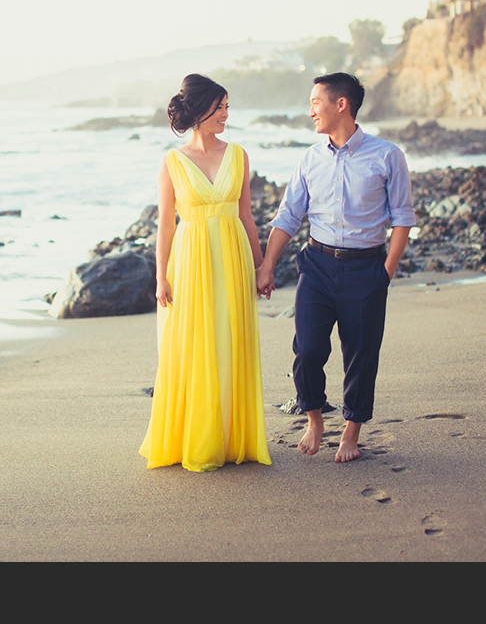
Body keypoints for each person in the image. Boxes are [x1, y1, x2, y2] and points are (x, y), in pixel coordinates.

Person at [256, 73, 416, 463]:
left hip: (366, 269)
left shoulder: (387, 155)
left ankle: (351, 432)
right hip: (317, 265)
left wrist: (385, 273)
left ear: (340, 104)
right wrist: (267, 264)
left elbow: (403, 219)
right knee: (308, 349)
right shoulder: (310, 158)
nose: (310, 109)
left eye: (316, 102)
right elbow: (288, 216)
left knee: (361, 354)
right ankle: (314, 418)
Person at [139, 74, 272, 472]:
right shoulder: (172, 161)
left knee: (230, 341)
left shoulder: (239, 155)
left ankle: (233, 438)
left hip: (231, 258)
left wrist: (262, 264)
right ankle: (198, 436)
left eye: (228, 107)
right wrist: (161, 276)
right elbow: (165, 225)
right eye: (220, 107)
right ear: (199, 110)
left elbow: (246, 214)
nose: (227, 115)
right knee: (195, 345)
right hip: (190, 260)